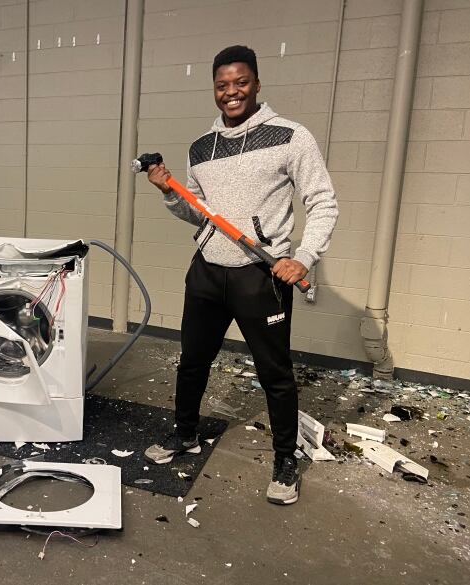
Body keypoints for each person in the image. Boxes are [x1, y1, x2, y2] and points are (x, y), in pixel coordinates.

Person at [143, 45, 338, 506]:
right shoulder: (201, 148)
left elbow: (323, 201)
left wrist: (304, 256)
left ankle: (285, 461)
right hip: (208, 272)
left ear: (256, 83)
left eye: (240, 82)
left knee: (275, 374)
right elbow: (200, 213)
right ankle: (185, 434)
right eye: (222, 85)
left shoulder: (290, 136)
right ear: (215, 89)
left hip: (260, 276)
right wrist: (169, 193)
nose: (231, 92)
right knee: (192, 361)